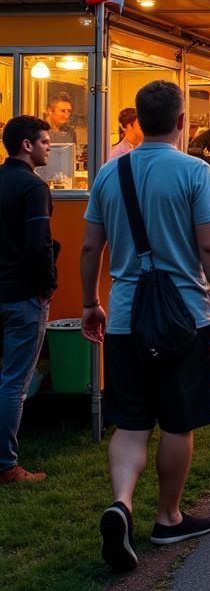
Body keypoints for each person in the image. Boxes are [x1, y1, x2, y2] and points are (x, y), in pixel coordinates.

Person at [80, 81, 210, 570]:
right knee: (177, 419)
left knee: (130, 421)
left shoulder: (109, 173)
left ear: (138, 121)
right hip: (183, 314)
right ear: (181, 121)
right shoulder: (195, 171)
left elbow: (90, 248)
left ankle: (122, 503)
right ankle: (168, 517)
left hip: (127, 316)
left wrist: (91, 302)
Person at [0, 116, 57, 485]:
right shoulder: (33, 187)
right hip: (23, 295)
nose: (49, 147)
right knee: (14, 384)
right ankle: (5, 465)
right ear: (27, 145)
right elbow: (39, 244)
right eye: (45, 142)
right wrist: (48, 284)